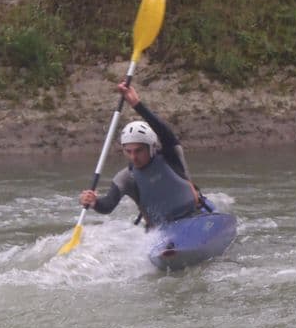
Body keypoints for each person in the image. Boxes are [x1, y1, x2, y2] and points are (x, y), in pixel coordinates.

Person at [79, 81, 213, 229]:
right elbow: (108, 205)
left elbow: (164, 132)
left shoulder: (171, 155)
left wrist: (137, 104)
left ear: (152, 147)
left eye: (138, 151)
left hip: (195, 216)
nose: (133, 157)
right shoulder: (126, 178)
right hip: (162, 231)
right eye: (128, 151)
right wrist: (94, 202)